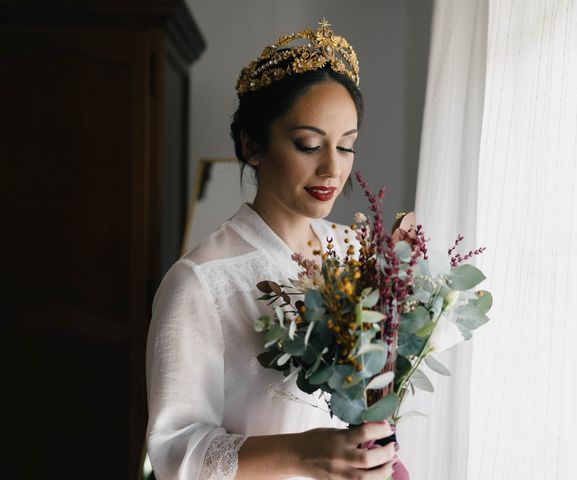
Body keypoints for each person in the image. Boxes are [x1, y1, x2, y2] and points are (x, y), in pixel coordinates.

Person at [146, 19, 397, 480]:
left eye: (346, 147)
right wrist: (303, 454)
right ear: (252, 144)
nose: (331, 168)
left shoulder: (356, 251)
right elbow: (174, 454)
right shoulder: (202, 281)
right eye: (308, 144)